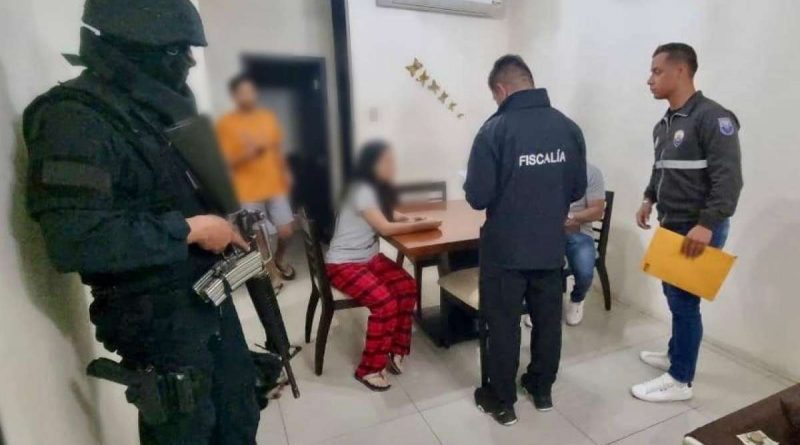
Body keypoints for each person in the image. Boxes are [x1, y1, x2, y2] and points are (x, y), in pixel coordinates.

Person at [23, 0, 260, 443]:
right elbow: (75, 238)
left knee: (239, 414)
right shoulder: (73, 118)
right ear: (128, 47)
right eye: (175, 51)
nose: (189, 62)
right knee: (188, 432)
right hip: (157, 323)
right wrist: (192, 229)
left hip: (206, 297)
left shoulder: (155, 108)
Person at [465, 55, 587, 426]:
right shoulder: (568, 127)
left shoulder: (493, 130)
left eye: (494, 96)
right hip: (550, 245)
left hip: (505, 250)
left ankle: (502, 401)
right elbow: (577, 189)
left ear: (501, 89)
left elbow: (477, 197)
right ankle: (541, 388)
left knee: (503, 324)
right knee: (547, 321)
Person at [632, 43, 743, 403]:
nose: (649, 79)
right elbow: (661, 169)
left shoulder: (713, 118)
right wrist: (648, 198)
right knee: (673, 296)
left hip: (697, 229)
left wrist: (708, 224)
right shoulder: (664, 124)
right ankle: (675, 353)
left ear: (680, 71)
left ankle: (680, 379)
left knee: (684, 303)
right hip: (671, 225)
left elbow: (729, 180)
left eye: (656, 71)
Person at [325, 141, 442, 392]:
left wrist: (411, 219)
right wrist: (423, 225)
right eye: (387, 161)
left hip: (369, 259)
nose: (392, 165)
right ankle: (369, 368)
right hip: (344, 264)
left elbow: (391, 215)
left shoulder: (375, 188)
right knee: (385, 302)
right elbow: (386, 228)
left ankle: (396, 348)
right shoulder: (361, 189)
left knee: (407, 287)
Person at [217, 75, 296, 284]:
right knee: (259, 237)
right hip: (247, 189)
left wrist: (286, 172)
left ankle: (279, 259)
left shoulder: (267, 118)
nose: (248, 96)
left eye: (251, 91)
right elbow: (225, 162)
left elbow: (277, 149)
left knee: (287, 231)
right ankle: (272, 275)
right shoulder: (226, 124)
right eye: (243, 92)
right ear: (234, 95)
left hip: (274, 183)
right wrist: (248, 153)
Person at [525, 163, 606, 327]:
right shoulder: (542, 168)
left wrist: (571, 217)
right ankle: (538, 303)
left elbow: (597, 211)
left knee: (585, 271)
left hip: (578, 231)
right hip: (545, 232)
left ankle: (577, 299)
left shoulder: (591, 172)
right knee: (532, 263)